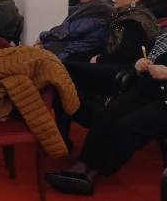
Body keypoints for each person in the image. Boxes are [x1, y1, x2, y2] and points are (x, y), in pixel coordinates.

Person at [46, 32, 167, 196]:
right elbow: (140, 59)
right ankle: (82, 165)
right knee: (107, 115)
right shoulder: (163, 36)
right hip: (147, 89)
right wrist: (139, 64)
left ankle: (93, 172)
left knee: (127, 125)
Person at [58, 0, 160, 144]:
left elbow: (126, 53)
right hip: (115, 63)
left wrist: (100, 58)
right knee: (67, 64)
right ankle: (76, 119)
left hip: (125, 69)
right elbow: (111, 43)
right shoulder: (123, 16)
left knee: (64, 70)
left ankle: (88, 119)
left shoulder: (135, 21)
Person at [36, 0, 114, 62]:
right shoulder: (84, 6)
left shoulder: (102, 9)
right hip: (69, 53)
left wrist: (43, 37)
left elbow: (70, 31)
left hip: (78, 58)